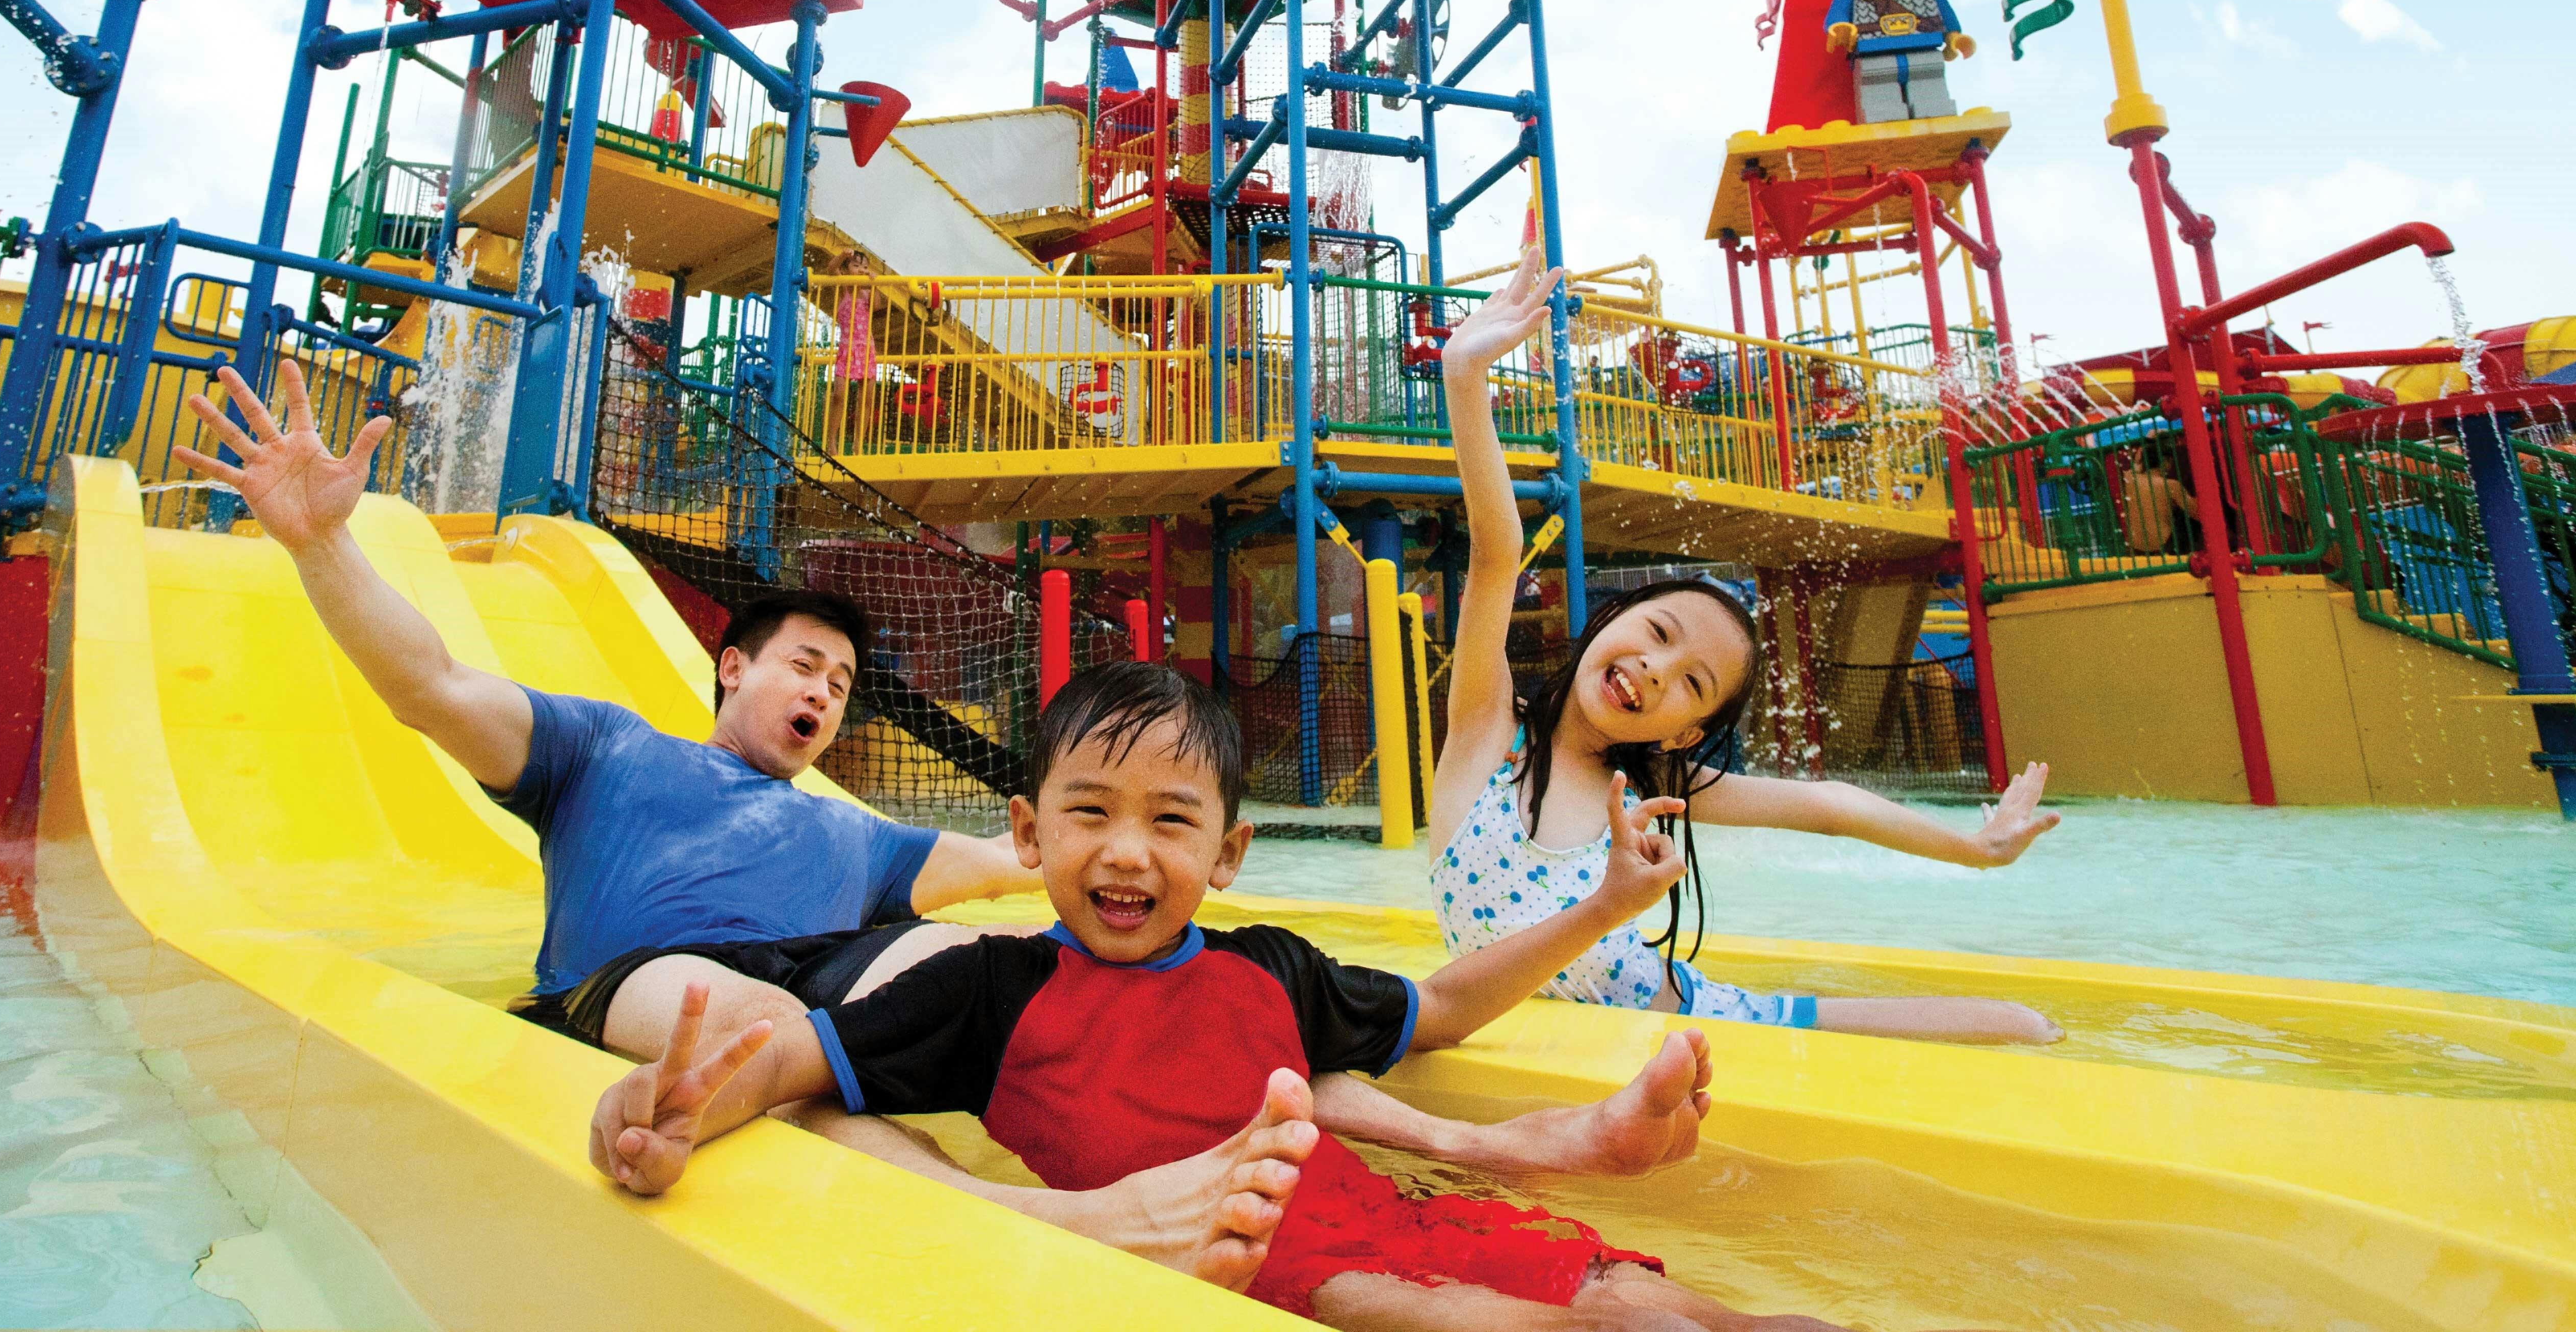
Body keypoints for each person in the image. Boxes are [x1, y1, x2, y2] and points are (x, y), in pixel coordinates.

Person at [173, 360, 1759, 1288]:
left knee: (1147, 987)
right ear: (730, 665)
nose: (821, 697)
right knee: (743, 1032)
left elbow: (1055, 881)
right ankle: (1059, 1223)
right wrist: (324, 551)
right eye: (802, 666)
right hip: (651, 972)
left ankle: (1450, 1151)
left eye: (842, 684)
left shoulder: (863, 839)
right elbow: (436, 682)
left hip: (843, 961)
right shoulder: (607, 755)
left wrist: (1145, 849)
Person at [597, 663, 1895, 1329]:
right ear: (1028, 836)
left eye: (1171, 822)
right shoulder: (986, 987)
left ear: (1223, 856)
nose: (1126, 851)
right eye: (1088, 813)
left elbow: (1439, 1010)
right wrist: (677, 1108)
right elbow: (803, 1068)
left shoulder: (1270, 968)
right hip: (1274, 1274)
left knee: (1664, 1308)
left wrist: (1607, 905)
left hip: (1415, 1217)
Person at [1431, 249, 2065, 1044]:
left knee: (2020, 1030)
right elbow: (1497, 552)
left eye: (1692, 683)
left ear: (1686, 732)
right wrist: (1466, 379)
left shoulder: (1661, 782)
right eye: (1656, 635)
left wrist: (1976, 850)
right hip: (1583, 1050)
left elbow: (1831, 808)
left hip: (1701, 1023)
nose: (1656, 670)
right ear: (1610, 625)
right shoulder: (1487, 734)